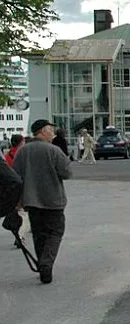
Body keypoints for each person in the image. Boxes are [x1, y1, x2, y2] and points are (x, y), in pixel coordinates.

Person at [12, 119, 72, 284]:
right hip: (53, 200)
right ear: (43, 131)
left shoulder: (22, 152)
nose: (52, 134)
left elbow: (15, 176)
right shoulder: (53, 150)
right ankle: (46, 263)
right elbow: (67, 173)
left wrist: (18, 200)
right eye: (50, 130)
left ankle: (43, 267)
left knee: (39, 235)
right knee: (55, 232)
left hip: (31, 201)